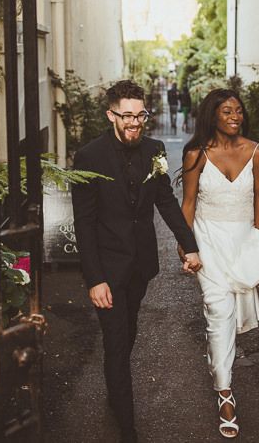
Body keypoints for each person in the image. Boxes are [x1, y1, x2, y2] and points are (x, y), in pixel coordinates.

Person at [72, 80, 202, 443]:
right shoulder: (89, 156)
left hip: (140, 265)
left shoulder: (155, 150)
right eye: (126, 115)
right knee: (116, 340)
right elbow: (83, 223)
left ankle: (116, 389)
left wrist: (188, 244)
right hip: (107, 268)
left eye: (140, 114)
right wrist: (94, 279)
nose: (135, 122)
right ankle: (126, 425)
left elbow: (165, 201)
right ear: (110, 114)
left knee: (127, 334)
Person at [180, 89, 259, 439]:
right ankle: (225, 392)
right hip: (208, 241)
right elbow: (187, 204)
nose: (235, 116)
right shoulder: (196, 154)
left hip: (244, 242)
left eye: (239, 110)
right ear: (212, 116)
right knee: (219, 311)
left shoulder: (255, 151)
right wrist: (186, 247)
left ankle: (217, 358)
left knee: (232, 320)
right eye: (227, 111)